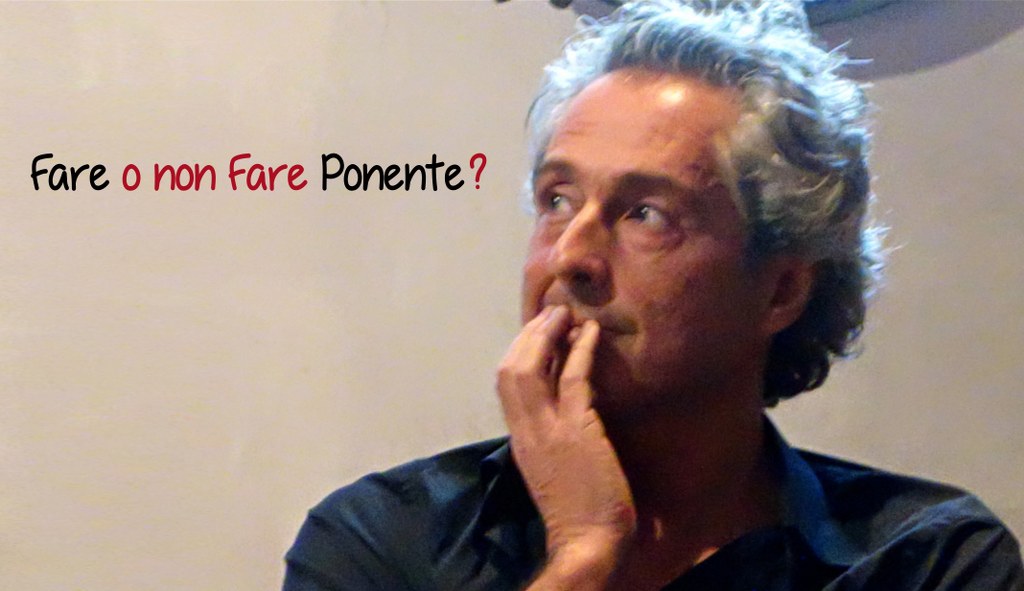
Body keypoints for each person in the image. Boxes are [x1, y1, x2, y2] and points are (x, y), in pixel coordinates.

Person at [283, 1, 1024, 589]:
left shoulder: (927, 561)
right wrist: (583, 556)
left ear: (781, 288)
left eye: (646, 214)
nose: (570, 257)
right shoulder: (382, 542)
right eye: (557, 200)